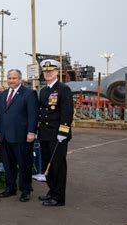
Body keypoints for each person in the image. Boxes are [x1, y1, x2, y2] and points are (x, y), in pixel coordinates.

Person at [0, 69, 38, 202]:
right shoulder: (2, 95)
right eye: (9, 78)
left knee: (24, 164)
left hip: (21, 136)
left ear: (20, 79)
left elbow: (33, 114)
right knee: (8, 164)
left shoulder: (29, 93)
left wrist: (32, 132)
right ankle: (10, 188)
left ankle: (25, 190)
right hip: (4, 136)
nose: (11, 80)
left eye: (14, 78)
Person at [37, 59, 74, 206]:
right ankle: (52, 191)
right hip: (45, 133)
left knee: (58, 165)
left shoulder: (63, 89)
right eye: (45, 71)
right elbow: (42, 111)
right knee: (48, 164)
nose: (48, 73)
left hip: (58, 135)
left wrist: (63, 132)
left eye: (51, 71)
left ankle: (59, 197)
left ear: (57, 72)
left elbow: (68, 112)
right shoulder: (44, 90)